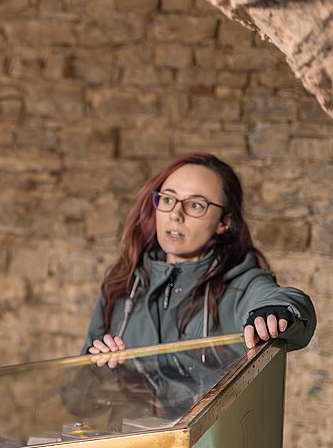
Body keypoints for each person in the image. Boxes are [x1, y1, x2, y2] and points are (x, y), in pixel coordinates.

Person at [85, 153, 316, 363]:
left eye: (196, 205)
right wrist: (96, 372)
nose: (176, 214)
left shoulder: (239, 286)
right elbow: (74, 398)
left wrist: (274, 310)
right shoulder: (122, 284)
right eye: (167, 199)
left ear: (224, 222)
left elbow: (284, 300)